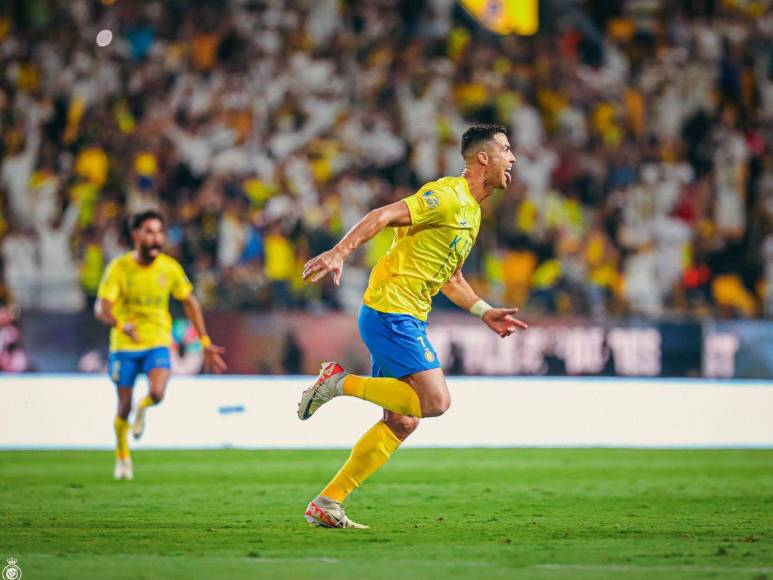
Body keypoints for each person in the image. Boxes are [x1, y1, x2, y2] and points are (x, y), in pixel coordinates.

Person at [298, 125, 528, 528]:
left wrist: (482, 311)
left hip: (403, 313)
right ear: (483, 159)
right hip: (392, 311)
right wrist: (340, 252)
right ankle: (337, 382)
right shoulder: (447, 196)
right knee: (436, 401)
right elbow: (382, 215)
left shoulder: (472, 212)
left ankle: (328, 502)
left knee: (402, 420)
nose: (513, 159)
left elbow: (451, 278)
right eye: (506, 150)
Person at [95, 210, 227, 480]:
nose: (156, 238)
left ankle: (144, 409)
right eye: (149, 232)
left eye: (159, 232)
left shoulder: (169, 267)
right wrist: (121, 325)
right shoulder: (119, 268)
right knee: (123, 405)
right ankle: (122, 455)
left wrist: (205, 342)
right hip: (124, 345)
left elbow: (190, 302)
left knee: (157, 393)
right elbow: (102, 308)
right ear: (136, 235)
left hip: (156, 341)